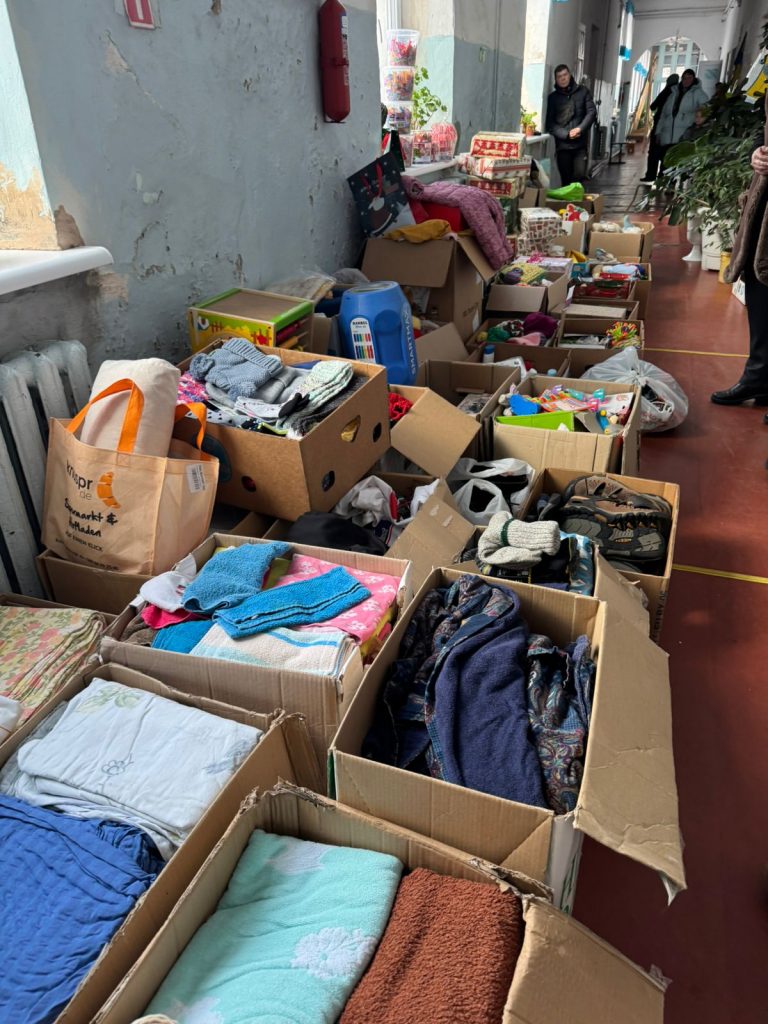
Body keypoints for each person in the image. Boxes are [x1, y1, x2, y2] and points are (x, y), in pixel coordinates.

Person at [712, 93, 768, 407]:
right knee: (759, 290)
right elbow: (764, 132)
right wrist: (756, 153)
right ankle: (758, 378)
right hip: (763, 207)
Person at [545, 64, 597, 186]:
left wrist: (580, 129)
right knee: (566, 180)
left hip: (580, 145)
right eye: (559, 76)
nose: (563, 78)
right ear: (556, 79)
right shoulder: (553, 98)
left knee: (579, 175)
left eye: (565, 75)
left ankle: (576, 196)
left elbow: (591, 112)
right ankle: (569, 198)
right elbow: (550, 124)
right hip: (563, 146)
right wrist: (566, 134)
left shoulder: (583, 92)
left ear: (570, 75)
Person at [655, 68, 709, 171]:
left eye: (689, 78)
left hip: (683, 134)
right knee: (664, 162)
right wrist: (658, 131)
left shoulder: (698, 93)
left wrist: (696, 120)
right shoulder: (674, 92)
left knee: (678, 165)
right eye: (684, 78)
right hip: (667, 135)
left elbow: (706, 108)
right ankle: (662, 178)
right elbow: (664, 114)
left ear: (694, 79)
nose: (686, 80)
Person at [640, 73, 679, 185]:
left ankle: (651, 175)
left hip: (659, 126)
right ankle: (664, 177)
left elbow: (653, 106)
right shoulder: (679, 93)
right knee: (669, 153)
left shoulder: (666, 91)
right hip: (673, 129)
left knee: (654, 152)